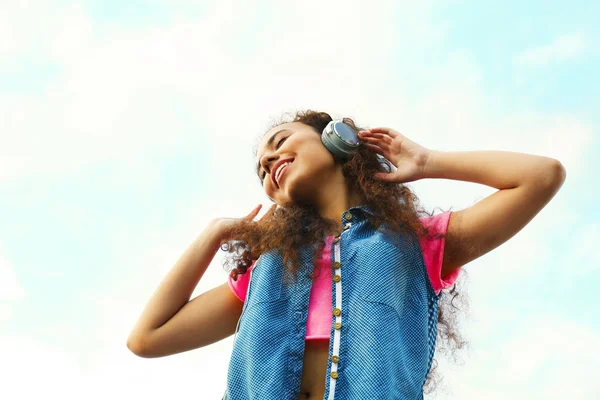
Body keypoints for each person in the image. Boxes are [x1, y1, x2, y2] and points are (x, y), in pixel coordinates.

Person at [127, 110, 566, 399]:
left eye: (280, 142)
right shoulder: (269, 269)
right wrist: (213, 234)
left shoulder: (417, 243)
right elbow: (147, 338)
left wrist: (429, 160)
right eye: (262, 166)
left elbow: (541, 176)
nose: (269, 160)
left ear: (337, 141)